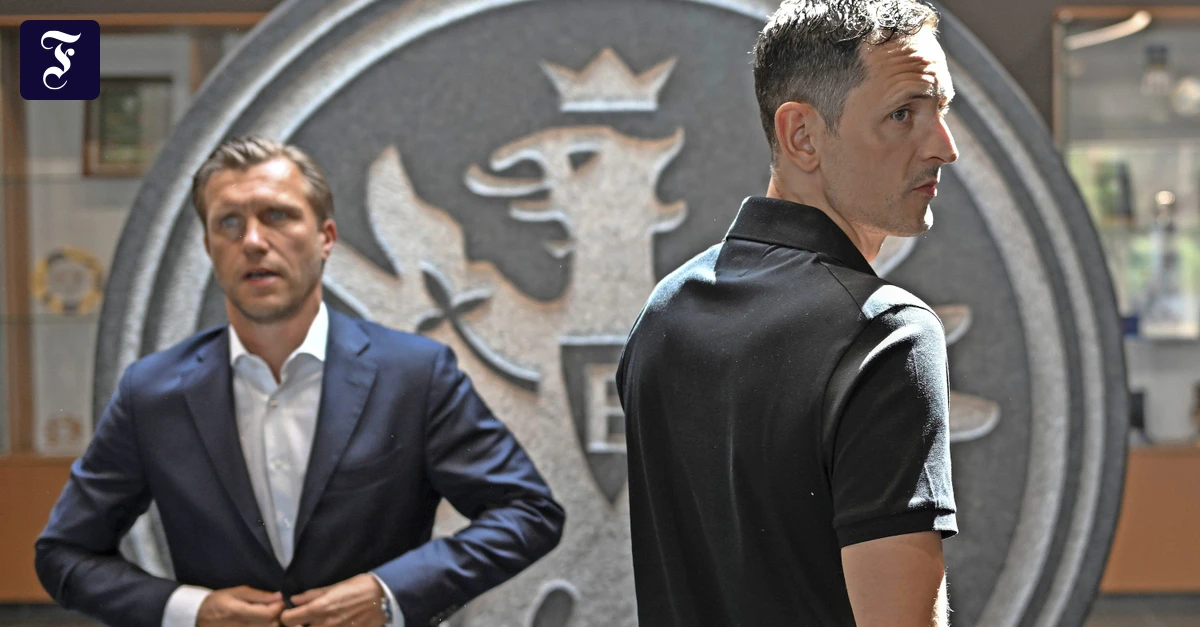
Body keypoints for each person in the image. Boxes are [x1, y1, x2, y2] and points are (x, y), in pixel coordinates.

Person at [35, 136, 565, 627]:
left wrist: (390, 593)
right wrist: (190, 612)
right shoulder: (153, 394)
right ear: (209, 247)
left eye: (277, 216)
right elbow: (64, 554)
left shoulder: (414, 375)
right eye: (229, 223)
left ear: (325, 237)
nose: (253, 241)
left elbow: (527, 512)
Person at [616, 1, 960, 625]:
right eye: (903, 114)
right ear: (802, 135)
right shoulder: (886, 333)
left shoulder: (665, 310)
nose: (944, 147)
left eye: (942, 109)